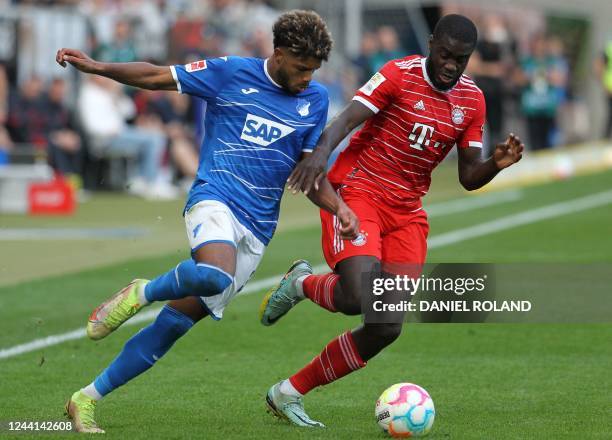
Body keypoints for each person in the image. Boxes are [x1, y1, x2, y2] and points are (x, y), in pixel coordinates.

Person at [56, 10, 358, 433]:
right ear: (279, 53)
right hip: (215, 198)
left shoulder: (316, 100)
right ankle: (143, 291)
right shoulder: (230, 72)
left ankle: (85, 398)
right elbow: (157, 75)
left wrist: (339, 208)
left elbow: (307, 177)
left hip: (256, 229)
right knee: (215, 274)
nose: (308, 77)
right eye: (302, 67)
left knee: (173, 327)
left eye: (314, 70)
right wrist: (98, 66)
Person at [259, 14, 524, 428]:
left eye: (461, 59)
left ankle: (287, 391)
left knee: (384, 326)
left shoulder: (472, 100)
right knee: (359, 295)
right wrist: (317, 157)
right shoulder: (398, 74)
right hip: (359, 192)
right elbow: (345, 121)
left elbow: (469, 177)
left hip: (406, 215)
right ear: (431, 44)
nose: (451, 65)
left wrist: (496, 163)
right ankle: (303, 284)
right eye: (445, 55)